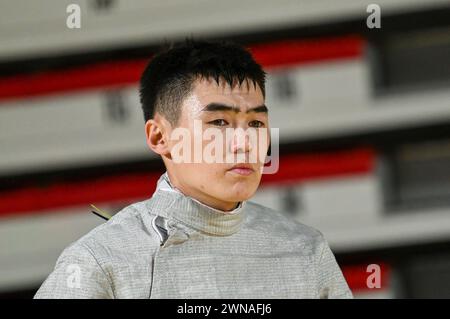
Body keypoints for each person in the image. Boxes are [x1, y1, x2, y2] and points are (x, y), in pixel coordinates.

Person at [34, 39, 352, 299]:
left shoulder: (305, 250)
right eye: (219, 122)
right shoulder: (99, 263)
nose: (244, 143)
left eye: (256, 122)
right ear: (160, 137)